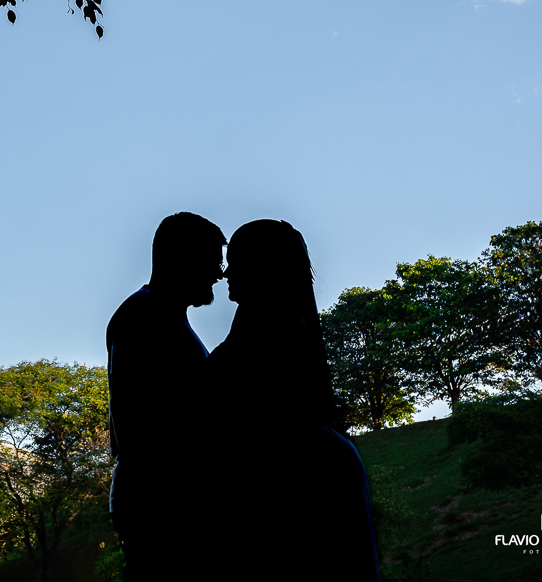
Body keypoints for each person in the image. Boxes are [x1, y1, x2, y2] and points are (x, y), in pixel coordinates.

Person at [209, 219, 381, 581]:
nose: (225, 273)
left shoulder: (268, 323)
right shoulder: (274, 320)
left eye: (236, 261)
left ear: (261, 266)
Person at [106, 212, 225, 582]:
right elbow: (138, 424)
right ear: (182, 258)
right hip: (163, 509)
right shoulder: (145, 315)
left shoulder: (159, 315)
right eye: (212, 261)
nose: (220, 273)